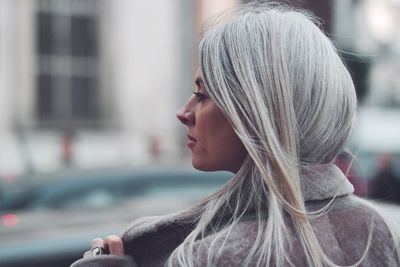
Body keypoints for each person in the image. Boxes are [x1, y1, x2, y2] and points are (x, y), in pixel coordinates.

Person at [71, 2, 400, 267]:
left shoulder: (214, 256)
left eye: (203, 95)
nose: (184, 113)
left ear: (257, 111)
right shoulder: (380, 230)